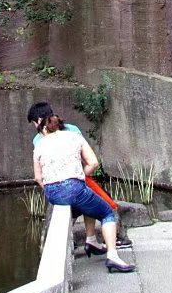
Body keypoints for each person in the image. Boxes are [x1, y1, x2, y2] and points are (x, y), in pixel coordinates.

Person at [32, 109, 135, 273]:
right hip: (74, 187)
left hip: (52, 193)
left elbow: (38, 178)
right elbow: (93, 163)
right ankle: (113, 257)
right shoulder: (74, 136)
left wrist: (52, 189)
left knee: (86, 202)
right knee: (107, 213)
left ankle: (91, 240)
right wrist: (78, 176)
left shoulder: (39, 144)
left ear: (44, 128)